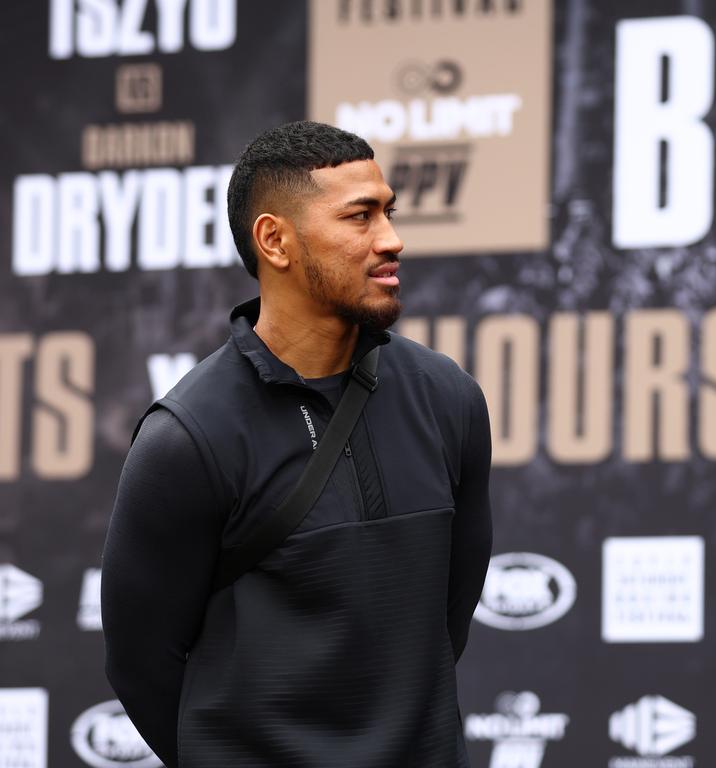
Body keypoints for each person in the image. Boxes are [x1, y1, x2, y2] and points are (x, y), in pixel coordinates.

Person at [101, 121, 493, 768]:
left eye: (388, 213)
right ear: (275, 241)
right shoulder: (190, 436)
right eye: (359, 217)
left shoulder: (447, 398)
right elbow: (142, 666)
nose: (390, 239)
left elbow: (447, 617)